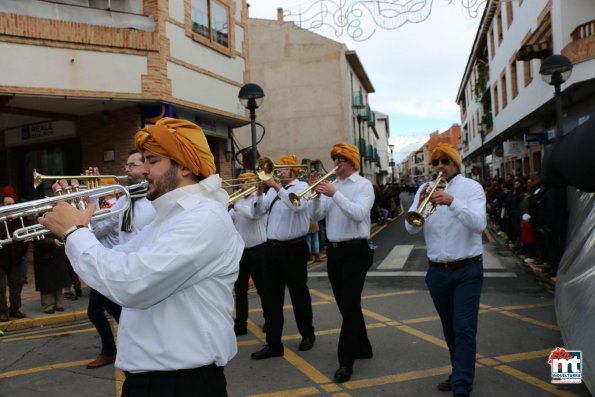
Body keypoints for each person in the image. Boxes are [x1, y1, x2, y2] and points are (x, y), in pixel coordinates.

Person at [39, 117, 243, 397]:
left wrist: (74, 232)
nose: (143, 170)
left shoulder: (203, 218)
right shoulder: (169, 217)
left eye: (152, 160)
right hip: (155, 381)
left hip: (182, 385)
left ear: (184, 165)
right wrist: (79, 227)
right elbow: (117, 261)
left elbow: (131, 283)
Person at [405, 143, 486, 397]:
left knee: (463, 327)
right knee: (450, 328)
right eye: (436, 163)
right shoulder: (424, 189)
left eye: (445, 162)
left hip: (467, 269)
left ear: (455, 164)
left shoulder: (471, 188)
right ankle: (458, 371)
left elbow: (479, 224)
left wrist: (453, 202)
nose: (440, 167)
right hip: (437, 272)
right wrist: (419, 204)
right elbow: (411, 229)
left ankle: (461, 386)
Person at [82, 150, 156, 370]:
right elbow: (99, 228)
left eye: (131, 165)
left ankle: (132, 349)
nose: (126, 169)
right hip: (118, 267)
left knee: (126, 313)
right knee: (102, 310)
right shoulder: (122, 200)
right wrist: (95, 196)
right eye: (126, 165)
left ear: (146, 169)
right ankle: (114, 349)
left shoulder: (154, 202)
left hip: (141, 269)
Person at [310, 143, 375, 383]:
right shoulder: (332, 186)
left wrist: (334, 194)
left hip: (356, 251)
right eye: (335, 159)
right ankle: (364, 346)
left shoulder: (363, 185)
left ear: (352, 162)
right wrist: (317, 196)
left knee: (348, 305)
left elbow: (358, 213)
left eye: (342, 159)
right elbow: (317, 217)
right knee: (347, 304)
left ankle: (345, 362)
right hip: (335, 252)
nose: (337, 163)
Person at [250, 155, 316, 360]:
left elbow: (297, 206)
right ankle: (274, 343)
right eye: (280, 167)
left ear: (295, 171)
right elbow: (256, 213)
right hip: (272, 249)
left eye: (285, 168)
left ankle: (307, 334)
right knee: (271, 298)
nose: (280, 171)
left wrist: (277, 188)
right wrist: (260, 192)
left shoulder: (302, 187)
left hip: (294, 249)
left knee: (299, 295)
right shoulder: (272, 191)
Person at [228, 172, 267, 336]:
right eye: (240, 182)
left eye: (245, 182)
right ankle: (241, 324)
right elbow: (228, 220)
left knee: (263, 289)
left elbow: (254, 214)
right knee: (241, 290)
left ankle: (269, 319)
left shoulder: (258, 199)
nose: (241, 185)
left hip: (258, 250)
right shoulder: (237, 201)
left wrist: (236, 205)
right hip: (241, 252)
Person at [0, 195, 28, 322]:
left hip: (15, 258)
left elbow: (26, 236)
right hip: (1, 259)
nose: (10, 207)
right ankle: (2, 311)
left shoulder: (19, 218)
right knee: (1, 287)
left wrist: (21, 252)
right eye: (7, 205)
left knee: (16, 284)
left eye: (12, 204)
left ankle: (15, 309)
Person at [32, 237, 72, 313]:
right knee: (47, 282)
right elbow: (34, 239)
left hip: (57, 251)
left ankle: (59, 304)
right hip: (44, 254)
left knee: (59, 280)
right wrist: (51, 241)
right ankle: (48, 305)